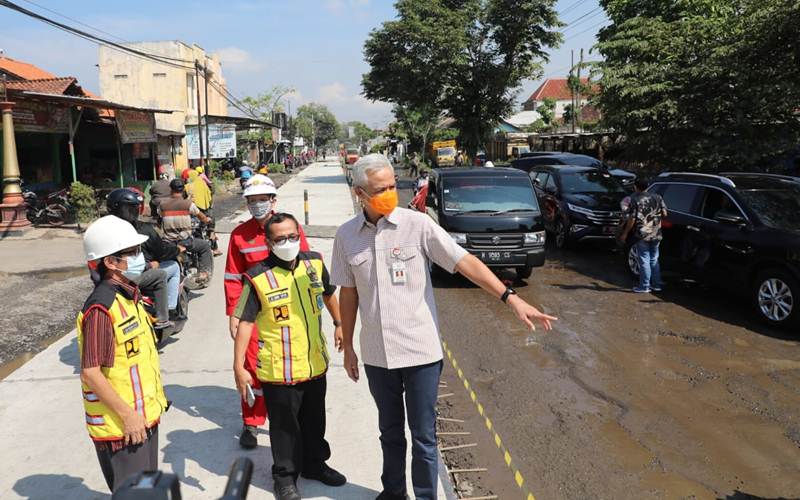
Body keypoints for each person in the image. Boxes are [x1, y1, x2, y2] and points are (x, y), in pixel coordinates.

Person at [330, 154, 557, 500]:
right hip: (377, 353)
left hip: (420, 352)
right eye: (381, 189)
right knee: (389, 432)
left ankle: (425, 495)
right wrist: (348, 344)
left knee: (423, 436)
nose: (391, 193)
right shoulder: (346, 236)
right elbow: (348, 292)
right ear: (360, 193)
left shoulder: (417, 225)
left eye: (393, 186)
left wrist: (511, 298)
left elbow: (464, 261)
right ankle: (393, 492)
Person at [234, 213, 346, 500]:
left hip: (314, 363)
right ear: (269, 243)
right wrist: (238, 367)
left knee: (314, 421)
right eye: (280, 238)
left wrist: (339, 323)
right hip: (279, 370)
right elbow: (245, 322)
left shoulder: (314, 262)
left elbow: (330, 293)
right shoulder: (257, 277)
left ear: (300, 234)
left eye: (292, 236)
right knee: (284, 429)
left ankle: (315, 465)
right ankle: (284, 477)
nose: (288, 242)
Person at [78, 215, 168, 493]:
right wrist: (127, 415)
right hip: (122, 426)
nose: (140, 257)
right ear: (110, 262)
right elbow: (91, 372)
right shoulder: (101, 308)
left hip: (142, 418)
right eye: (132, 252)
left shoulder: (128, 296)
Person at [224, 174, 312, 449]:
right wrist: (234, 314)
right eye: (252, 200)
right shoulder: (240, 235)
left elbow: (307, 267)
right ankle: (251, 422)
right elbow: (232, 277)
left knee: (288, 363)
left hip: (288, 310)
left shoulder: (288, 228)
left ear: (273, 200)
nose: (256, 205)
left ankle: (284, 418)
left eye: (261, 200)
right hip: (254, 312)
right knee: (251, 366)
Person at [107, 189, 184, 324]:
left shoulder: (105, 229)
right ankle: (167, 313)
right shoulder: (140, 228)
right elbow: (161, 251)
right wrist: (176, 250)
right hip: (131, 276)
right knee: (171, 268)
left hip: (107, 277)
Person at [159, 179, 214, 286]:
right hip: (185, 241)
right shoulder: (188, 204)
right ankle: (203, 274)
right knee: (204, 246)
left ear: (171, 189)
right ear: (183, 189)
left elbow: (160, 215)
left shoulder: (162, 204)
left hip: (168, 242)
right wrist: (206, 220)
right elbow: (201, 216)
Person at [619, 178, 668, 293]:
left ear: (635, 187)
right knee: (654, 259)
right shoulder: (658, 197)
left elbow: (632, 219)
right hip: (656, 233)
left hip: (642, 234)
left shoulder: (635, 200)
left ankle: (644, 286)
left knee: (644, 260)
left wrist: (625, 234)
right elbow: (665, 213)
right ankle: (656, 285)